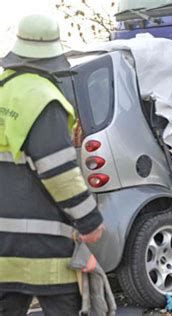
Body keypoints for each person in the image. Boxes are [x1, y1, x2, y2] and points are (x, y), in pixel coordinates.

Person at [0, 13, 105, 316]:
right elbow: (58, 170)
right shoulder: (43, 99)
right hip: (45, 250)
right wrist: (89, 221)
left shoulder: (3, 92)